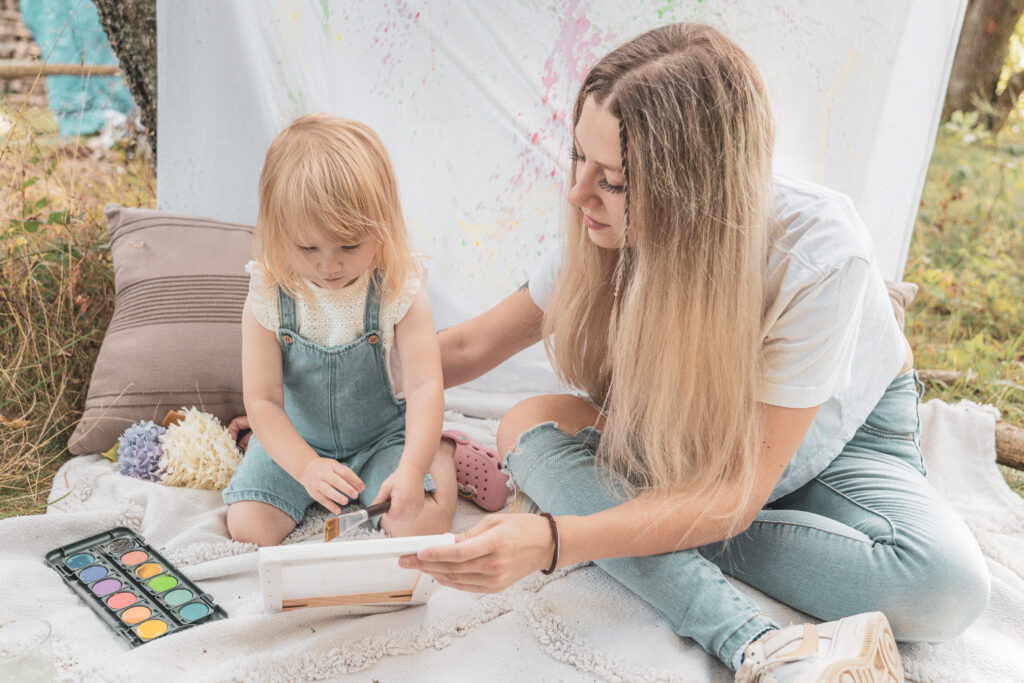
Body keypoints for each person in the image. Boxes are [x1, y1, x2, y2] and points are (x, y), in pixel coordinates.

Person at [397, 23, 991, 681]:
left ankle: (630, 525)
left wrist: (562, 536)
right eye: (578, 158)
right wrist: (293, 390)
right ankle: (757, 644)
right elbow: (471, 344)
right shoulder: (602, 230)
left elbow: (737, 492)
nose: (578, 193)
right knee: (525, 423)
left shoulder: (820, 254)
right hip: (698, 448)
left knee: (945, 586)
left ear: (692, 183)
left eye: (613, 179)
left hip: (843, 443)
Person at [223, 114, 465, 546]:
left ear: (382, 227)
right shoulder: (268, 293)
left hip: (380, 439)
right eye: (308, 247)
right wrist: (305, 467)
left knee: (418, 525)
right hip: (296, 438)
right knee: (249, 527)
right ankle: (311, 478)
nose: (329, 265)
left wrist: (411, 469)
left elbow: (426, 385)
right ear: (280, 232)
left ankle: (440, 455)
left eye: (350, 245)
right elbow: (261, 400)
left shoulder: (397, 286)